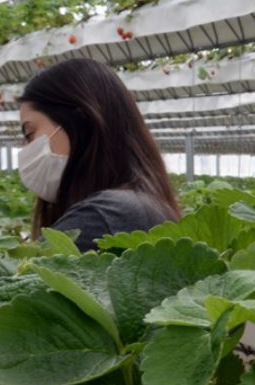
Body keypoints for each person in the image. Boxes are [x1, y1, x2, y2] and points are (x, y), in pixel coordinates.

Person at [17, 58, 181, 250]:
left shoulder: (104, 216)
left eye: (29, 134)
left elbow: (23, 278)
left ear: (79, 121)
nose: (25, 148)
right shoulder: (143, 204)